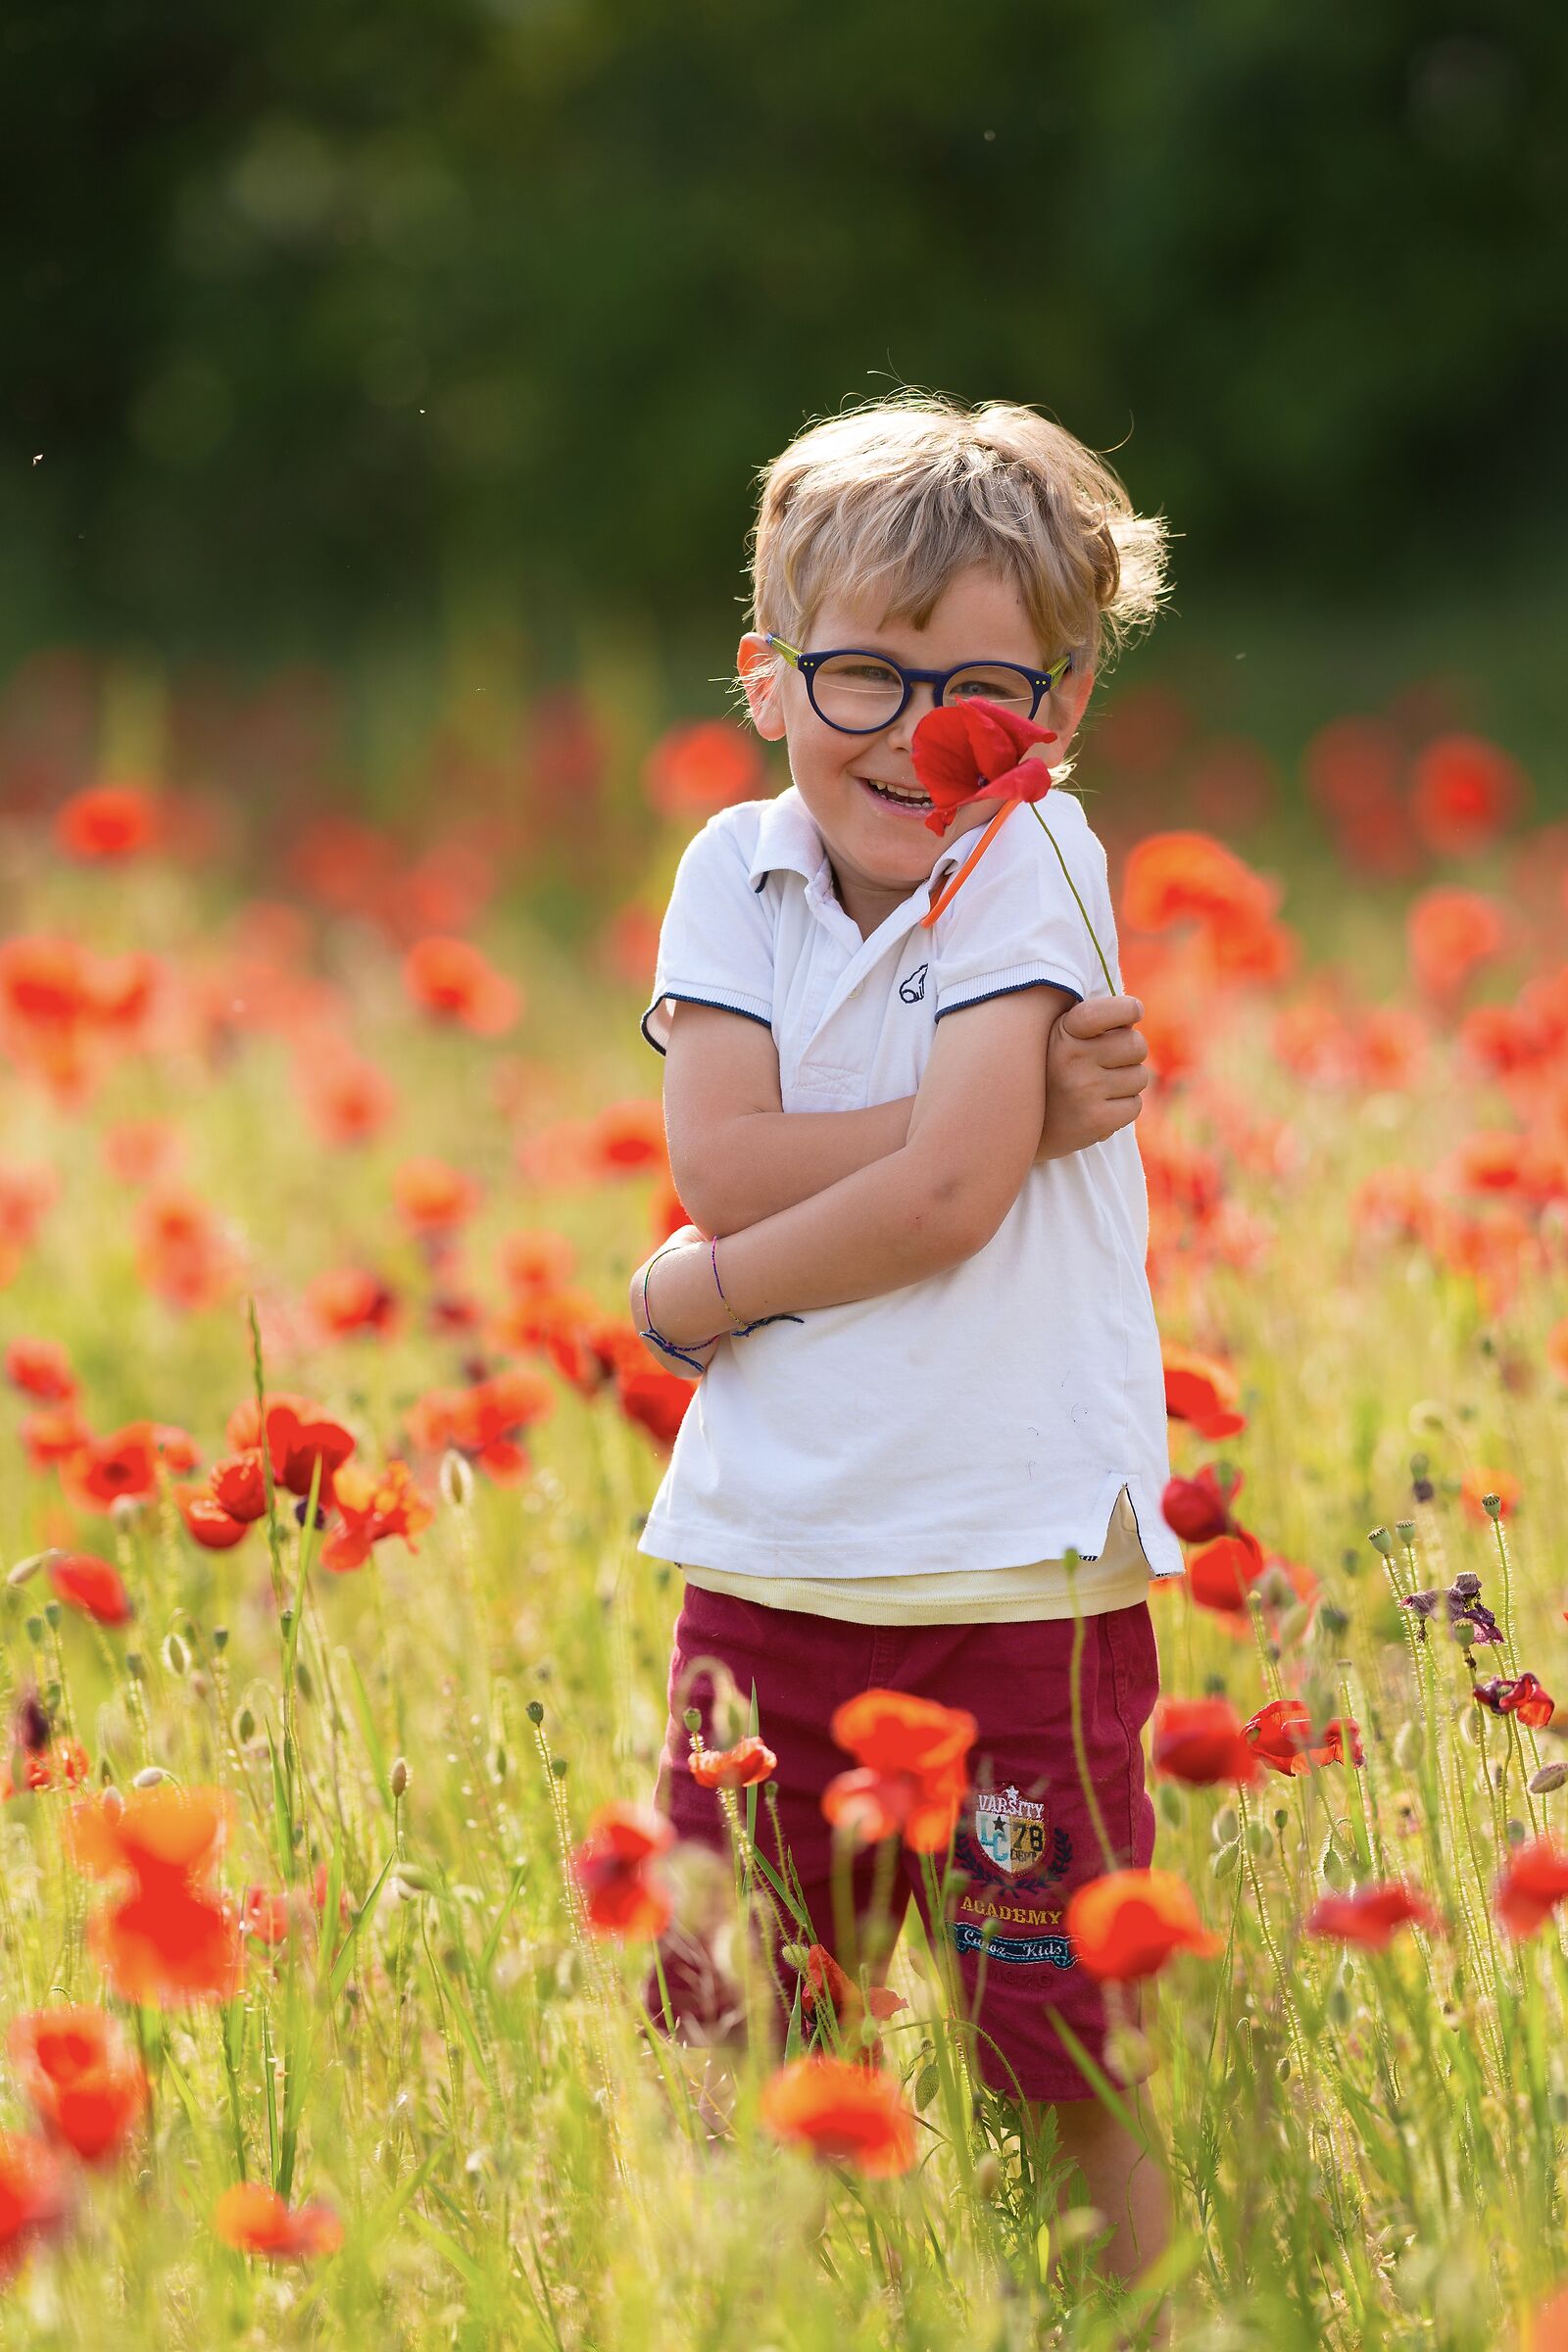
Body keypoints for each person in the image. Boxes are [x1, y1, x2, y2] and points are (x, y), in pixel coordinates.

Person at [627, 393, 1181, 2306]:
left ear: (1062, 704)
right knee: (732, 2033)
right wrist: (992, 1116)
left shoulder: (1032, 851)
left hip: (1013, 1574)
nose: (915, 736)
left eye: (980, 691)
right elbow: (719, 1160)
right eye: (862, 675)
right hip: (771, 1565)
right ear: (767, 677)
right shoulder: (734, 870)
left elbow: (937, 1207)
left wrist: (701, 1296)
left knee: (1058, 2052)